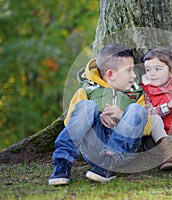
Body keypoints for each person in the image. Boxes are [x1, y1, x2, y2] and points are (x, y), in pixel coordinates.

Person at [48, 43, 150, 185]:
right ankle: (63, 162)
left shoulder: (136, 94)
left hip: (124, 152)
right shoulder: (86, 91)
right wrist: (95, 117)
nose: (134, 75)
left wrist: (122, 117)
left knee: (137, 110)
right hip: (94, 147)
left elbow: (147, 127)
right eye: (129, 70)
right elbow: (71, 123)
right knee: (86, 106)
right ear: (110, 74)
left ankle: (109, 162)